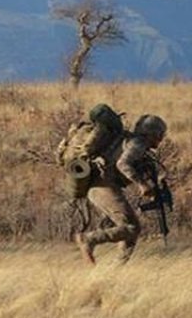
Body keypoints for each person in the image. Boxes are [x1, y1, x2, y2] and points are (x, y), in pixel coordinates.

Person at [70, 113, 168, 264]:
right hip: (102, 185)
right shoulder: (138, 143)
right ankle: (88, 239)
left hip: (102, 186)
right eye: (160, 134)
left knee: (132, 228)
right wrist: (142, 184)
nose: (161, 138)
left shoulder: (134, 144)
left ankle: (117, 268)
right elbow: (122, 164)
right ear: (153, 133)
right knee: (131, 227)